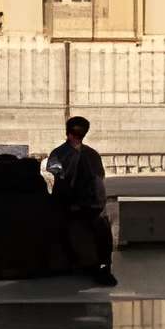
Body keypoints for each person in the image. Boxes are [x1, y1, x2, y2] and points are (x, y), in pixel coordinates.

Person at [45, 113, 116, 287]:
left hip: (79, 205)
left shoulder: (60, 153)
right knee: (98, 229)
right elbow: (98, 181)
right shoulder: (90, 155)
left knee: (95, 228)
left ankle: (94, 264)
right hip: (72, 204)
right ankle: (99, 265)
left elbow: (55, 177)